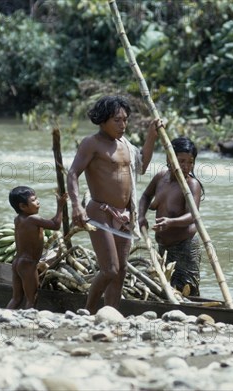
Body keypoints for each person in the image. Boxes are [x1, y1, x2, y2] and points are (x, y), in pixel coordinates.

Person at [67, 95, 160, 314]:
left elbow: (142, 167)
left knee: (120, 272)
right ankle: (87, 312)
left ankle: (111, 314)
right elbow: (73, 174)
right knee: (109, 269)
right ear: (103, 120)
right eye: (117, 120)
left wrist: (151, 136)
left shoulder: (125, 145)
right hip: (100, 212)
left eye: (125, 120)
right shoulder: (92, 144)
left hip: (125, 214)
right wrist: (76, 206)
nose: (123, 125)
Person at [138, 137, 204, 296]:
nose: (186, 166)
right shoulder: (161, 177)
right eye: (181, 161)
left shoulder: (192, 185)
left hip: (185, 248)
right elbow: (146, 196)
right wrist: (141, 216)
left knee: (187, 291)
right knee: (166, 287)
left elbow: (193, 216)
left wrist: (171, 222)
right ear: (169, 158)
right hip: (164, 247)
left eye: (190, 162)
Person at [7, 186, 67, 309]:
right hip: (28, 264)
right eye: (34, 200)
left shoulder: (19, 219)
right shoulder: (34, 219)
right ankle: (29, 323)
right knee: (32, 299)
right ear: (23, 206)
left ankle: (5, 317)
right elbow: (56, 225)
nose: (38, 202)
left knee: (16, 298)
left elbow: (48, 223)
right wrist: (60, 206)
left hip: (17, 262)